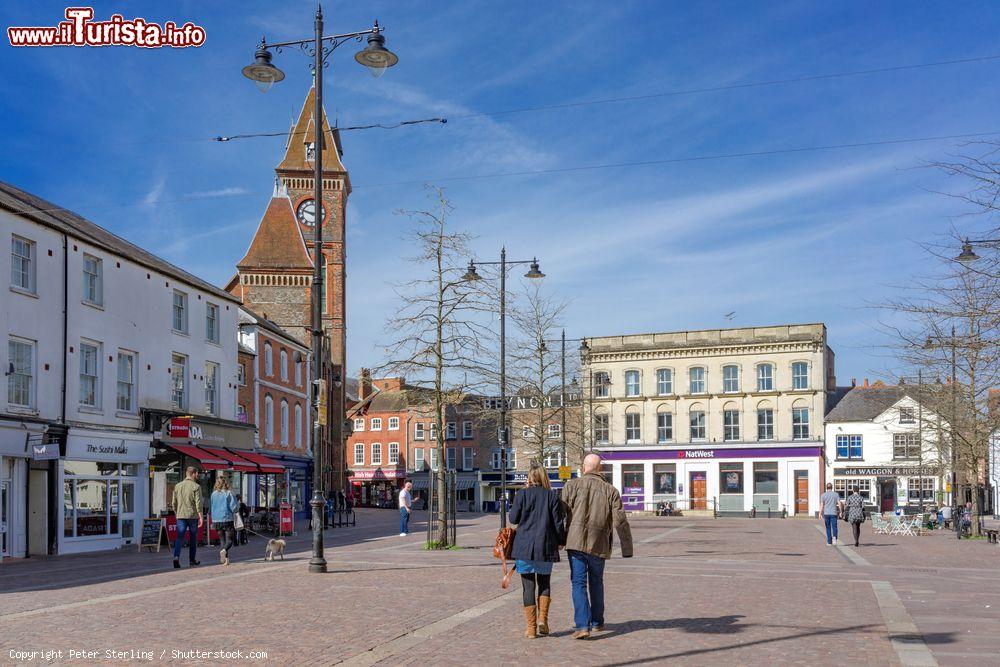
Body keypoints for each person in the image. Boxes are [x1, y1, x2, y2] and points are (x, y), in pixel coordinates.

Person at [562, 453, 633, 639]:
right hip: (599, 544)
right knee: (596, 582)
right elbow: (621, 521)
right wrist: (627, 548)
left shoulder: (571, 486)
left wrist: (559, 540)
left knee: (578, 583)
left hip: (575, 543)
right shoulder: (611, 491)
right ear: (600, 469)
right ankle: (597, 622)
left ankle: (582, 626)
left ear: (584, 467)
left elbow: (560, 515)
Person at [508, 465, 566, 639]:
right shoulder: (552, 496)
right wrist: (562, 541)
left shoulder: (522, 495)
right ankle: (543, 620)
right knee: (545, 583)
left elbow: (513, 519)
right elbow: (558, 524)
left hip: (524, 547)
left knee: (528, 586)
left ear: (529, 478)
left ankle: (531, 628)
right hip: (546, 545)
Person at [170, 467, 203, 569]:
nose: (197, 475)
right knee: (193, 538)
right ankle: (192, 560)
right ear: (193, 474)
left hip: (180, 515)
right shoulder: (196, 486)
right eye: (197, 473)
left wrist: (176, 512)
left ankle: (176, 557)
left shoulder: (178, 486)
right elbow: (198, 503)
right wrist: (200, 516)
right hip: (192, 515)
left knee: (179, 537)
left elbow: (173, 502)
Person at [210, 475, 239, 565]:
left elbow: (211, 507)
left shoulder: (213, 494)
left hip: (216, 520)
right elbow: (234, 507)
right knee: (230, 539)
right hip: (227, 519)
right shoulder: (229, 493)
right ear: (226, 483)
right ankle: (224, 550)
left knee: (222, 540)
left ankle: (226, 560)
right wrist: (237, 509)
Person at [820, 482, 842, 546]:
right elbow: (839, 503)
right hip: (834, 513)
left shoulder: (823, 495)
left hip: (826, 513)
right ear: (832, 487)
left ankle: (829, 542)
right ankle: (834, 537)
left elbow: (822, 505)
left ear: (826, 488)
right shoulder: (836, 494)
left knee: (828, 527)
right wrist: (841, 511)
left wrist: (820, 513)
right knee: (834, 526)